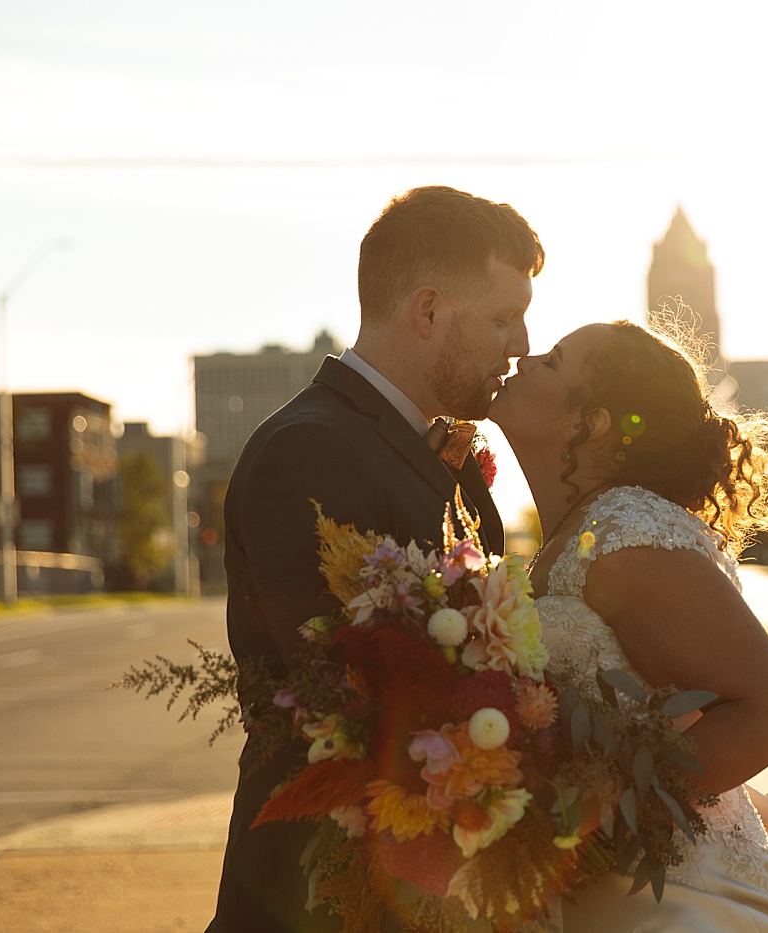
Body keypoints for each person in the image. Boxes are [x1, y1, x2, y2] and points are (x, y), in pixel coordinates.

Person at [489, 320, 768, 933]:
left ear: (593, 422)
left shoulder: (623, 532)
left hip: (667, 896)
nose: (523, 359)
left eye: (550, 362)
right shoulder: (575, 536)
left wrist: (601, 811)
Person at [208, 186, 544, 933]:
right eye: (502, 317)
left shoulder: (431, 449)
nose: (519, 343)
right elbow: (344, 692)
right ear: (427, 310)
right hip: (318, 895)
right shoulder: (310, 449)